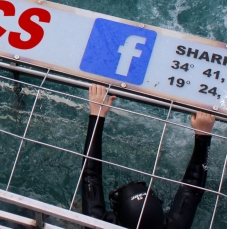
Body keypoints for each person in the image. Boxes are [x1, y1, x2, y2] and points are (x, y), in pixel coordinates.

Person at [82, 84, 215, 229]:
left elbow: (90, 175)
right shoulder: (174, 225)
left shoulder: (97, 224)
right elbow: (192, 188)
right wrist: (203, 135)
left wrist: (97, 114)